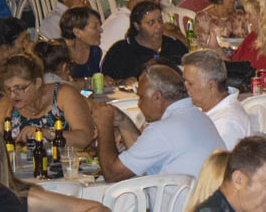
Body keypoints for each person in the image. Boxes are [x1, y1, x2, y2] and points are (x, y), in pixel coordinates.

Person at [91, 65, 227, 182]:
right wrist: (123, 122)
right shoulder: (198, 116)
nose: (139, 104)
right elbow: (143, 154)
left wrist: (104, 126)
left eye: (141, 97)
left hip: (179, 211)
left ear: (157, 97)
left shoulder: (163, 129)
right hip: (204, 206)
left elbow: (112, 173)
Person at [0, 53, 97, 151]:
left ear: (38, 82)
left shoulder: (63, 94)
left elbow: (84, 138)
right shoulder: (7, 105)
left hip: (64, 167)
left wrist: (45, 133)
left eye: (20, 88)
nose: (12, 95)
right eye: (8, 89)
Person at [176, 50, 251, 150]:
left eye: (190, 83)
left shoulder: (226, 124)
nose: (185, 87)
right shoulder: (207, 108)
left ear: (211, 86)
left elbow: (216, 164)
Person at [100, 0, 187, 81]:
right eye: (151, 22)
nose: (158, 26)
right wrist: (121, 82)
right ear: (137, 26)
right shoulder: (121, 51)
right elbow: (107, 81)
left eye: (160, 20)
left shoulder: (174, 45)